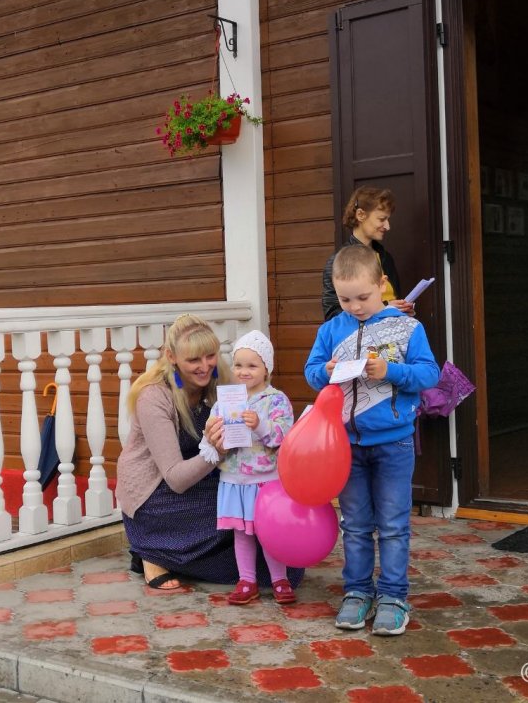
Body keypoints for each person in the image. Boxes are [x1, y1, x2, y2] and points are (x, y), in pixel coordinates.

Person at [305, 244, 439, 636]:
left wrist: (391, 371)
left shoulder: (408, 328)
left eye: (362, 297)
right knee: (356, 524)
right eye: (345, 299)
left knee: (393, 524)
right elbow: (312, 372)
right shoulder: (331, 330)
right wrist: (326, 370)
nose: (355, 307)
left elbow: (429, 375)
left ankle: (394, 596)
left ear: (382, 284)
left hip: (395, 443)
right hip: (346, 445)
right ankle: (358, 592)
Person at [116, 314, 303, 591]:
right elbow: (176, 479)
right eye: (194, 359)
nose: (205, 366)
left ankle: (176, 555)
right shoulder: (154, 397)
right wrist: (215, 451)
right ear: (172, 357)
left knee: (279, 549)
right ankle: (153, 552)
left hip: (203, 480)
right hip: (157, 496)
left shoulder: (225, 385)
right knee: (234, 518)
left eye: (210, 356)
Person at [203, 330, 297, 606]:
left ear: (267, 369)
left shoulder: (276, 400)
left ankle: (280, 579)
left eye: (252, 366)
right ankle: (247, 580)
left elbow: (284, 437)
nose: (244, 371)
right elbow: (210, 441)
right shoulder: (226, 401)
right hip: (235, 479)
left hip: (266, 480)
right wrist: (212, 434)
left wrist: (259, 425)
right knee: (242, 533)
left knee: (269, 532)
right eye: (238, 365)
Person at [321, 186, 414, 321]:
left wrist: (401, 311)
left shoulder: (385, 257)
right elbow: (332, 315)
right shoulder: (337, 261)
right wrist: (386, 308)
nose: (387, 226)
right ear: (360, 215)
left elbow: (393, 300)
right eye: (381, 219)